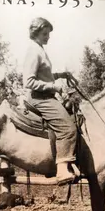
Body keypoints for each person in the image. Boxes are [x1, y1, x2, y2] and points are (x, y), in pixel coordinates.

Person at [23, 17, 80, 185]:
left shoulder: (40, 49)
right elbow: (28, 81)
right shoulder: (34, 51)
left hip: (45, 96)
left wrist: (60, 75)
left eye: (48, 33)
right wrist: (55, 87)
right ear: (36, 33)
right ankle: (62, 170)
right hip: (39, 98)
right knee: (68, 127)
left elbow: (44, 75)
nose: (48, 36)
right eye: (45, 33)